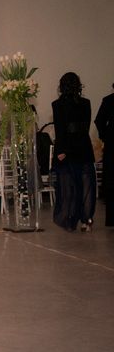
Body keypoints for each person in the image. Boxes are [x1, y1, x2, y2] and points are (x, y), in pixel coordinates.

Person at [52, 72, 96, 232]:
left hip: (66, 149)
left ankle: (70, 220)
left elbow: (60, 130)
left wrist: (63, 150)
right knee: (87, 186)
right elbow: (85, 127)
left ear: (61, 86)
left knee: (67, 187)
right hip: (84, 147)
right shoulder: (86, 103)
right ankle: (87, 221)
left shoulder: (57, 105)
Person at [95, 82, 114, 226]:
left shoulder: (108, 100)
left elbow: (99, 121)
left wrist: (106, 136)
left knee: (112, 181)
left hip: (112, 146)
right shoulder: (108, 100)